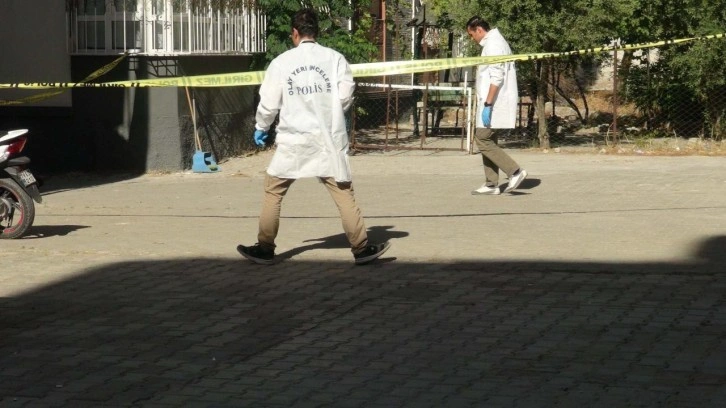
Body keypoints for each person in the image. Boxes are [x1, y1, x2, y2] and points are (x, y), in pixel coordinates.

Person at [237, 8, 391, 266]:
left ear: (294, 33)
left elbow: (269, 103)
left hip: (293, 140)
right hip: (327, 139)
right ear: (316, 32)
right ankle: (361, 248)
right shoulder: (335, 59)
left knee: (273, 192)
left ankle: (265, 248)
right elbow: (345, 96)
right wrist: (330, 113)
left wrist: (262, 126)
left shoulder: (282, 62)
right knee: (343, 191)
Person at [466, 16, 527, 195]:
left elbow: (497, 77)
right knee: (489, 140)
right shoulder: (494, 42)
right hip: (491, 101)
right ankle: (491, 184)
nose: (472, 38)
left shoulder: (493, 45)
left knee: (482, 138)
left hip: (494, 101)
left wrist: (488, 103)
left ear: (479, 29)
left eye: (471, 34)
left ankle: (514, 171)